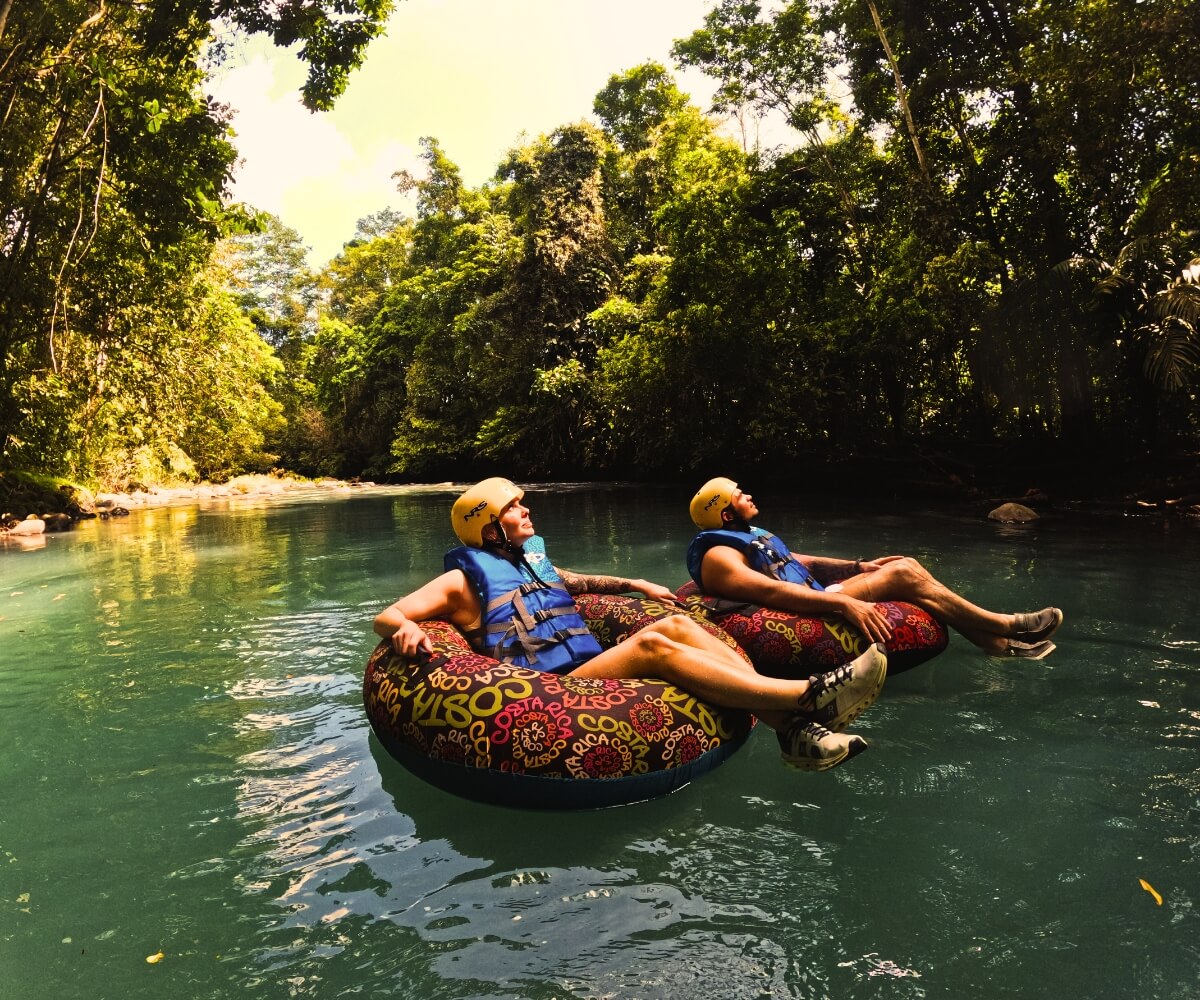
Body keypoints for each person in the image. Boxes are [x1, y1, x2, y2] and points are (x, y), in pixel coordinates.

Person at [375, 477, 888, 772]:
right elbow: (389, 613)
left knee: (684, 629)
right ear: (489, 526)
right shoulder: (462, 584)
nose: (526, 510)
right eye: (514, 507)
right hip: (547, 691)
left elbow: (570, 583)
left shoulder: (531, 560)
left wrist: (632, 583)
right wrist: (404, 628)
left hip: (585, 666)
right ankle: (807, 695)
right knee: (656, 643)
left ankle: (794, 733)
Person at [687, 477, 1063, 659]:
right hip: (796, 610)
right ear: (725, 512)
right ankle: (1008, 625)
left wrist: (860, 566)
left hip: (815, 594)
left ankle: (1000, 646)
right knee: (904, 574)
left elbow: (797, 561)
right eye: (740, 495)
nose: (749, 495)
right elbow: (768, 592)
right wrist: (842, 603)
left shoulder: (750, 534)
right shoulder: (718, 555)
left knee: (900, 564)